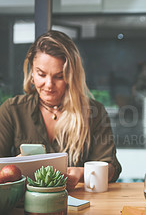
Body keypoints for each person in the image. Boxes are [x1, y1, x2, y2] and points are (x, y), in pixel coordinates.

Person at [0, 30, 121, 191]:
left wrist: (82, 173)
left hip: (81, 207)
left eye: (59, 76)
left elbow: (112, 168)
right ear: (31, 72)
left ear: (72, 76)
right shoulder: (11, 110)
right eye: (41, 74)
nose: (49, 84)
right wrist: (14, 167)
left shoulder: (94, 112)